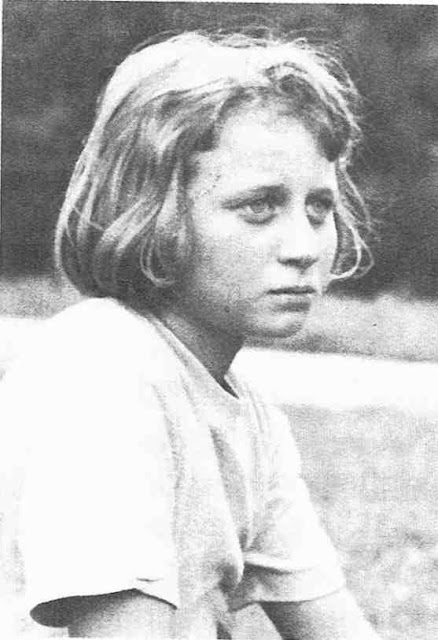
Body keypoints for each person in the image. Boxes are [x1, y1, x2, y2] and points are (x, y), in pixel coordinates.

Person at [1, 31, 379, 638]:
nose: (304, 247)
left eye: (318, 208)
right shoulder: (103, 369)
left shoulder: (246, 413)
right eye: (258, 207)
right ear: (154, 211)